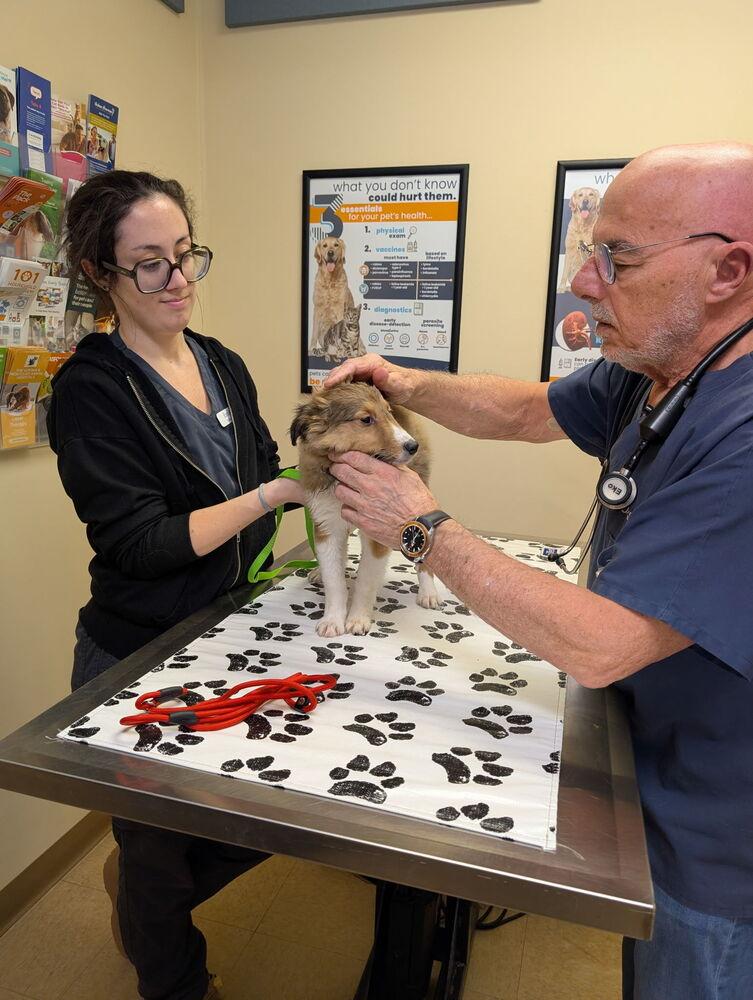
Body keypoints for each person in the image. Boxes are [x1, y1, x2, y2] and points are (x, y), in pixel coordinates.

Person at [325, 142, 753, 1000]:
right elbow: (526, 410)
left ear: (727, 271)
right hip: (656, 761)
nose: (586, 283)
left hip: (721, 827)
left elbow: (598, 648)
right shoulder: (662, 368)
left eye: (616, 259)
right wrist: (402, 380)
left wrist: (421, 531)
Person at [48, 169, 305, 1000]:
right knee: (159, 862)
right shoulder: (91, 390)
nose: (179, 279)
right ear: (100, 274)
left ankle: (142, 895)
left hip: (226, 639)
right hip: (137, 655)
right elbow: (145, 543)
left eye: (186, 253)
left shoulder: (221, 363)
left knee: (270, 819)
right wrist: (273, 496)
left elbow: (262, 467)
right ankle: (176, 978)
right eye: (150, 263)